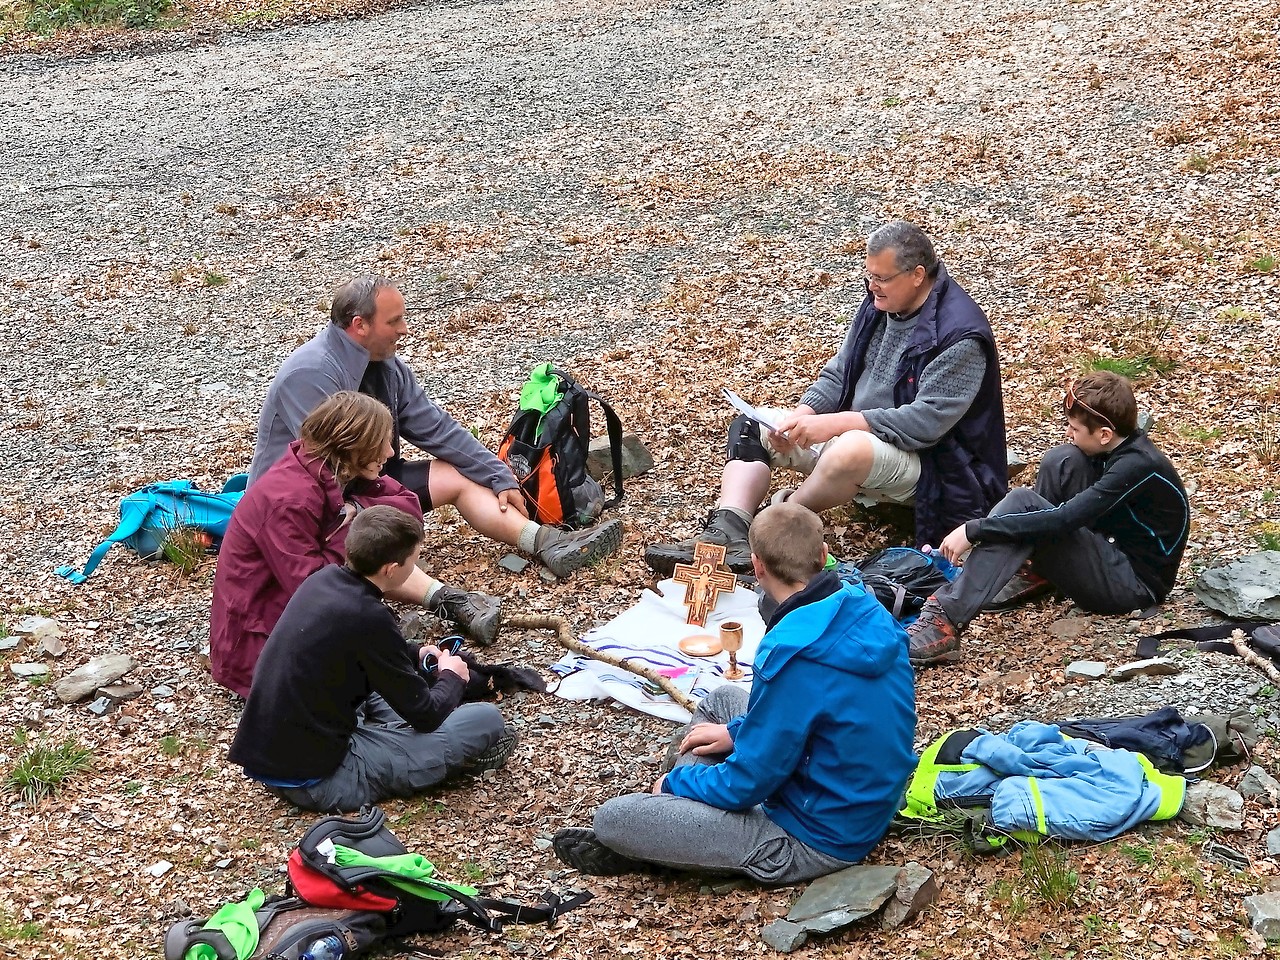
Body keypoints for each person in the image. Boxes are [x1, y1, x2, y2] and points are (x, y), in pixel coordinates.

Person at [552, 502, 916, 883]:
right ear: (823, 556)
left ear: (757, 567)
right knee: (721, 701)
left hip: (814, 837)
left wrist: (675, 785)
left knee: (613, 818)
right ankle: (677, 825)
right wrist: (737, 732)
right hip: (859, 795)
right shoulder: (864, 606)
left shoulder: (796, 653)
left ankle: (666, 837)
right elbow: (816, 713)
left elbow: (748, 782)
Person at [646, 220, 1006, 576]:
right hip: (862, 435)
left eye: (881, 279)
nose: (872, 287)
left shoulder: (960, 335)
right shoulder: (880, 303)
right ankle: (728, 530)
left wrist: (834, 423)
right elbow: (840, 371)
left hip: (939, 465)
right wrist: (802, 416)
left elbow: (926, 424)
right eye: (868, 276)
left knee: (849, 448)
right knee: (752, 426)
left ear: (916, 274)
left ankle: (771, 534)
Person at [249, 274, 622, 579]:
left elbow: (437, 429)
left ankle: (547, 542)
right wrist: (381, 502)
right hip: (309, 507)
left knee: (456, 475)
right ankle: (446, 600)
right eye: (394, 321)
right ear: (359, 325)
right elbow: (323, 467)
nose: (405, 329)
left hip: (365, 480)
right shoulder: (312, 372)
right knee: (374, 538)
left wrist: (500, 475)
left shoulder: (387, 366)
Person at [211, 392, 500, 699]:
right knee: (387, 686)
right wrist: (352, 530)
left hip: (295, 617)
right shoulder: (287, 499)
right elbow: (314, 591)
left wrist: (360, 510)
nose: (390, 452)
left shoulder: (338, 470)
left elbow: (408, 506)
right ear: (351, 445)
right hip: (260, 647)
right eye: (382, 443)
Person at [228, 505, 516, 812]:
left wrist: (415, 653)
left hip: (275, 753)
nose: (416, 566)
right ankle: (429, 752)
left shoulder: (324, 580)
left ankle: (390, 734)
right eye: (414, 559)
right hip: (320, 780)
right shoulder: (370, 616)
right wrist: (452, 676)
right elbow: (427, 716)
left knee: (392, 691)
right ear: (391, 569)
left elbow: (361, 646)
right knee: (485, 719)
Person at [906, 372, 1190, 667]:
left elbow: (1062, 520)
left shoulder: (1137, 466)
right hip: (1112, 544)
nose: (1069, 432)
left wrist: (973, 529)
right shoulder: (1121, 446)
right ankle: (1038, 572)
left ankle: (946, 619)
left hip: (1133, 585)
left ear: (1105, 434)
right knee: (1063, 459)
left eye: (1075, 428)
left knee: (1022, 502)